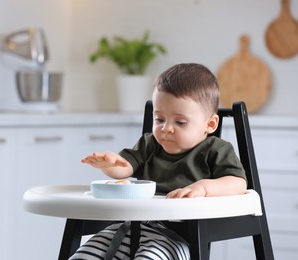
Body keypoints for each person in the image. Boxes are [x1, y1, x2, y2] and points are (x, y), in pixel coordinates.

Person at [70, 63, 247, 260]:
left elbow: (238, 183)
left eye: (180, 122)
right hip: (130, 227)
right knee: (86, 253)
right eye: (159, 119)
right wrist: (110, 165)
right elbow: (125, 168)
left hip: (175, 239)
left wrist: (204, 188)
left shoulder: (215, 150)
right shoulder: (150, 144)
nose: (166, 128)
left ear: (210, 124)